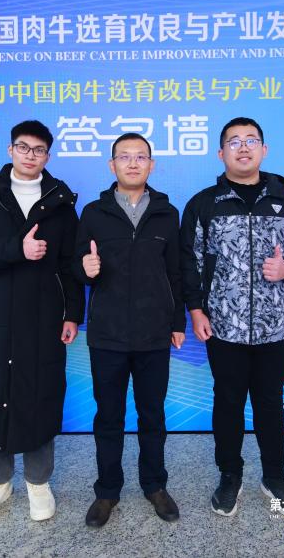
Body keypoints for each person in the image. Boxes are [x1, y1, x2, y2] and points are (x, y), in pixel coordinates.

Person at [179, 117, 284, 518]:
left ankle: (274, 476)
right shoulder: (204, 204)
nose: (243, 147)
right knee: (227, 402)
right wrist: (195, 309)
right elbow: (188, 261)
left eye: (251, 140)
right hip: (223, 327)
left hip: (277, 328)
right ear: (220, 153)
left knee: (270, 402)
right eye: (234, 141)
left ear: (264, 149)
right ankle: (230, 475)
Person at [0, 120, 84, 523]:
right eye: (23, 147)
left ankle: (38, 482)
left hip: (44, 314)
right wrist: (17, 248)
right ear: (10, 150)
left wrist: (72, 314)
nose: (31, 155)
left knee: (39, 392)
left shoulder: (61, 201)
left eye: (39, 149)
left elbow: (70, 265)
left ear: (48, 155)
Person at [73, 132, 185, 527]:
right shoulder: (93, 213)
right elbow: (75, 267)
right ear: (112, 165)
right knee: (109, 417)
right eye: (124, 156)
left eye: (141, 157)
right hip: (108, 334)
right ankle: (107, 491)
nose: (133, 163)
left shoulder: (168, 213)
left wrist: (177, 322)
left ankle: (155, 485)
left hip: (154, 333)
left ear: (151, 165)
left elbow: (176, 272)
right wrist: (84, 269)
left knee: (152, 416)